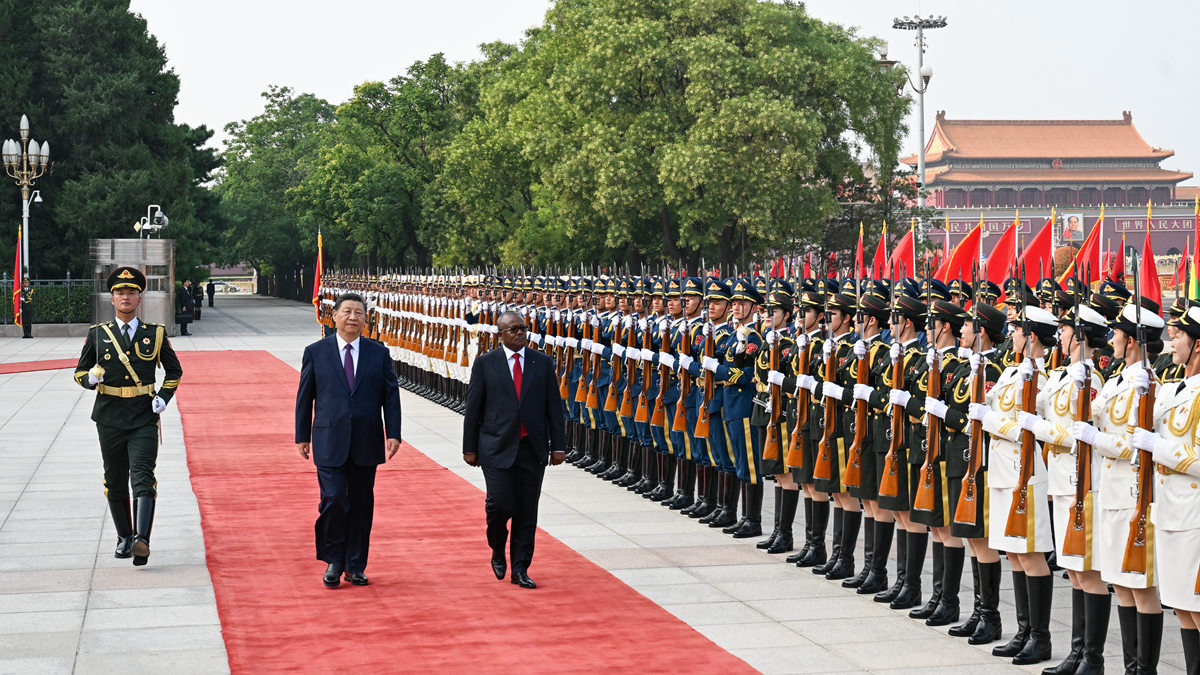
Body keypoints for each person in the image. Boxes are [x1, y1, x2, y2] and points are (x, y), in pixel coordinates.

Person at [72, 266, 182, 566]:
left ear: (139, 298)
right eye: (119, 293)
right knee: (115, 479)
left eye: (131, 292)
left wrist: (163, 397)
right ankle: (124, 535)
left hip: (143, 417)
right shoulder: (98, 335)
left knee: (143, 477)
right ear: (112, 299)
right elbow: (80, 372)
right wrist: (90, 380)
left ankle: (141, 539)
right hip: (109, 416)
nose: (125, 297)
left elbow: (174, 371)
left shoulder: (155, 334)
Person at [295, 292, 403, 588]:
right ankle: (333, 559)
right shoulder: (316, 352)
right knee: (333, 499)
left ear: (366, 320)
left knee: (360, 503)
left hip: (367, 440)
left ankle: (355, 564)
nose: (353, 317)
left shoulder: (378, 352)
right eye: (347, 312)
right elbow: (306, 396)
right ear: (335, 316)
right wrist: (301, 435)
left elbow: (390, 395)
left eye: (359, 312)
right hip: (329, 439)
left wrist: (393, 432)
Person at [463, 310, 567, 589]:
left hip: (531, 448)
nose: (520, 333)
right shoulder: (486, 363)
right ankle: (498, 546)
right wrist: (469, 447)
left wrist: (558, 446)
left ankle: (520, 568)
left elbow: (553, 407)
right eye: (514, 329)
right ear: (501, 334)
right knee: (500, 504)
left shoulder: (541, 363)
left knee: (526, 510)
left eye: (523, 328)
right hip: (495, 446)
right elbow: (473, 408)